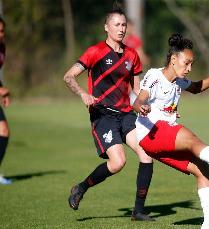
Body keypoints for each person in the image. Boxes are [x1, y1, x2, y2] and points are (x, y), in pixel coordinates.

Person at [133, 33, 209, 229]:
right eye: (187, 63)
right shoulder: (155, 76)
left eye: (192, 63)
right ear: (174, 60)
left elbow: (198, 87)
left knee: (203, 169)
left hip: (163, 136)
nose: (190, 68)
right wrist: (141, 106)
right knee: (190, 138)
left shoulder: (179, 82)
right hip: (150, 134)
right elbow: (139, 99)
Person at [63, 9, 154, 221]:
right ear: (106, 27)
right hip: (103, 115)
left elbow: (135, 91)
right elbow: (68, 77)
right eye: (117, 25)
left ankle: (138, 211)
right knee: (118, 163)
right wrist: (83, 94)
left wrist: (140, 105)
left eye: (124, 25)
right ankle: (81, 187)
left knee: (146, 155)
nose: (121, 29)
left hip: (126, 115)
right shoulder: (95, 52)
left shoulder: (132, 55)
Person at [0, 17, 12, 185]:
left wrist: (3, 92)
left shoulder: (2, 47)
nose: (1, 34)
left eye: (2, 30)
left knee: (3, 131)